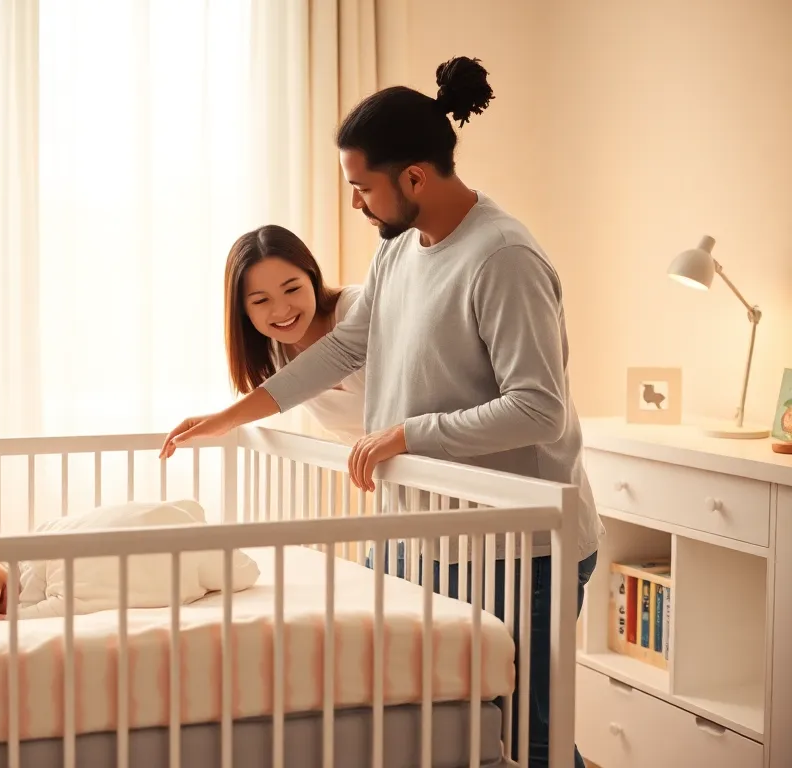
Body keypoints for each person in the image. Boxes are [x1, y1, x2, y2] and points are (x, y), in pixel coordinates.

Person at [158, 55, 602, 768]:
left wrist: (407, 435)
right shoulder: (401, 253)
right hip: (424, 532)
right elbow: (338, 354)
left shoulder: (503, 258)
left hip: (522, 546)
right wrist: (229, 417)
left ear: (415, 178)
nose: (356, 204)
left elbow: (539, 409)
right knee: (434, 728)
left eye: (362, 188)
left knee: (529, 738)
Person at [222, 224, 366, 443]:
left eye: (292, 289)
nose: (282, 310)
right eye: (261, 300)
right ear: (243, 310)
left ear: (312, 277)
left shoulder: (358, 309)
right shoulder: (275, 354)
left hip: (432, 459)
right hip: (389, 475)